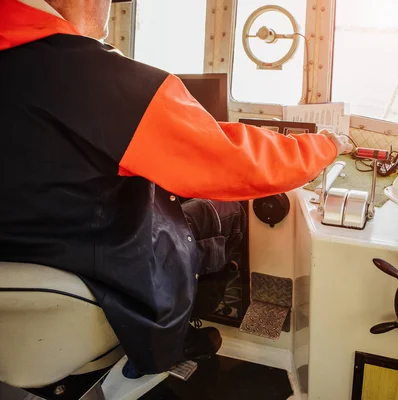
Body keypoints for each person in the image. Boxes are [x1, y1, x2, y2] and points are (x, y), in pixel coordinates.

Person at [0, 0, 352, 376]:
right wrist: (326, 146)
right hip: (97, 277)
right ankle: (175, 334)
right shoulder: (90, 72)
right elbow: (234, 162)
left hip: (23, 274)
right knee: (224, 212)